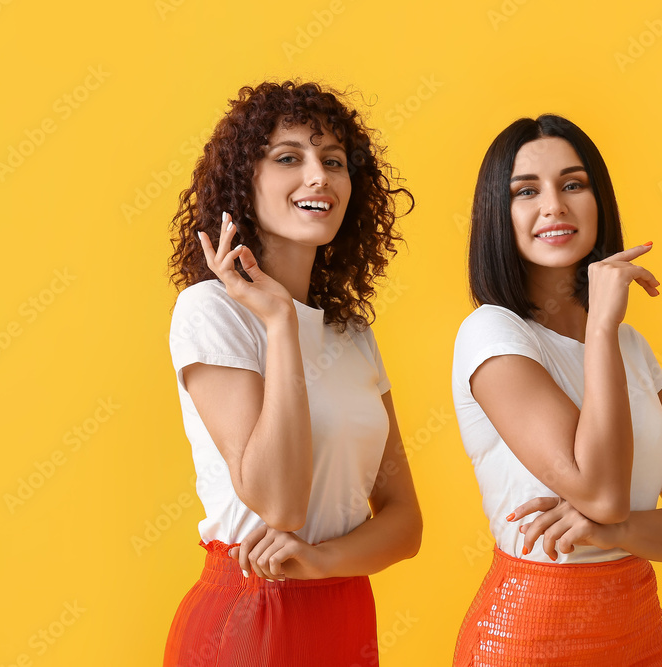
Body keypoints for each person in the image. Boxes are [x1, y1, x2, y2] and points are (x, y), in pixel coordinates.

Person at [451, 114, 662, 666]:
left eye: (572, 184)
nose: (553, 205)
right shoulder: (493, 333)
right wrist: (600, 327)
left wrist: (618, 529)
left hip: (638, 629)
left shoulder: (633, 347)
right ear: (497, 216)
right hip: (528, 634)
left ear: (599, 201)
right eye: (526, 191)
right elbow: (600, 491)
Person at [162, 80, 422, 667]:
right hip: (249, 613)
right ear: (242, 184)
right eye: (289, 158)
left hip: (346, 611)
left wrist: (325, 562)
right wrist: (279, 323)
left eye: (333, 161)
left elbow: (405, 521)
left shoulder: (350, 333)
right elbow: (280, 504)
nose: (319, 177)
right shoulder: (209, 312)